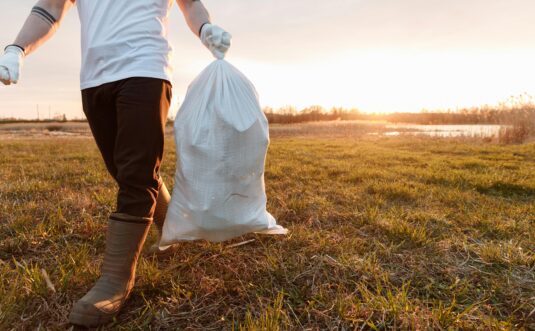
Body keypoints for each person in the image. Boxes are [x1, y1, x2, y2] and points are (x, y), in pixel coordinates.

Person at [0, 0, 231, 327]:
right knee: (128, 171)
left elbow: (191, 5)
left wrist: (206, 28)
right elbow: (49, 9)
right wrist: (16, 49)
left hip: (146, 68)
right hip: (94, 79)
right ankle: (176, 225)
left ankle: (115, 281)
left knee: (136, 176)